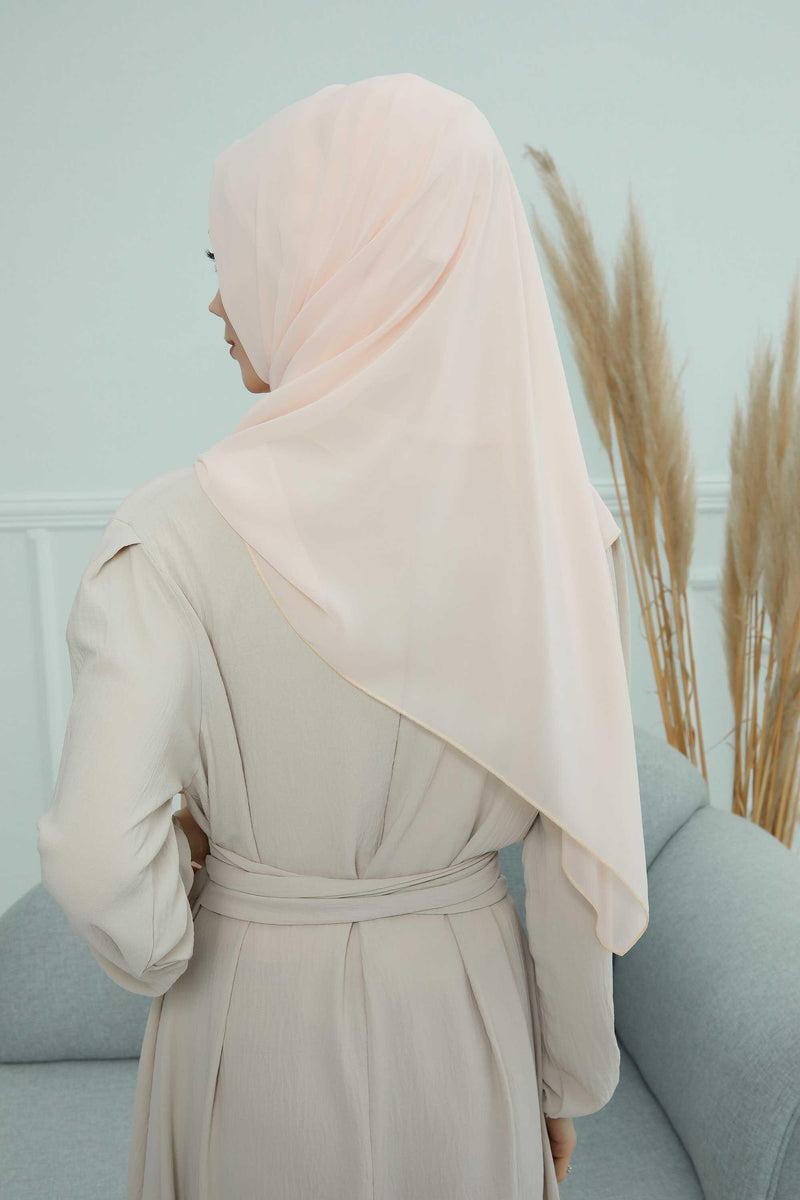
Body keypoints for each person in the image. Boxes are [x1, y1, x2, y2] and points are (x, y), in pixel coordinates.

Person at [37, 73, 648, 1199]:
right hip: (463, 1027)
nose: (217, 303)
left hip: (245, 1022)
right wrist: (564, 1082)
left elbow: (92, 859)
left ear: (336, 265)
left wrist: (171, 933)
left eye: (234, 260)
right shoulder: (559, 540)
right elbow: (575, 869)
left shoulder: (173, 534)